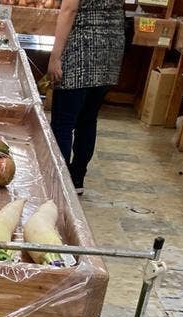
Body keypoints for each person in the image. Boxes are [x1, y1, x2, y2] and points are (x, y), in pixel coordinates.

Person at [48, 0, 125, 195]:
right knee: (88, 120)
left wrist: (55, 57)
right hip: (111, 47)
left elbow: (69, 9)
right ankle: (77, 178)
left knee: (63, 122)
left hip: (81, 47)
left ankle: (59, 181)